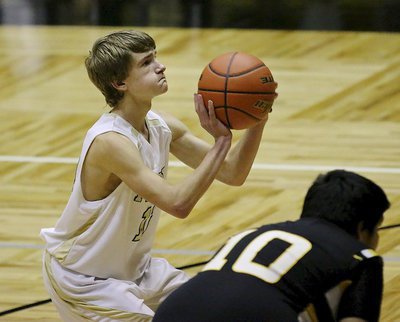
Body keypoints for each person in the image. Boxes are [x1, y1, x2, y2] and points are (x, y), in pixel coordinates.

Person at [39, 30, 276, 321]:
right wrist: (222, 142)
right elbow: (178, 204)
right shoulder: (111, 142)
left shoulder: (161, 125)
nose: (160, 66)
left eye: (156, 57)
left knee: (213, 311)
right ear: (120, 83)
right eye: (146, 62)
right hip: (87, 279)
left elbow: (232, 172)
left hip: (138, 272)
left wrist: (258, 116)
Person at [153, 169, 390, 322]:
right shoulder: (362, 256)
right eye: (377, 228)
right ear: (362, 228)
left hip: (170, 312)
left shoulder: (256, 232)